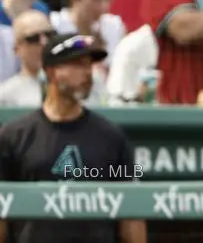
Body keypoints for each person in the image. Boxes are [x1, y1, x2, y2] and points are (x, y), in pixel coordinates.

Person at [0, 33, 146, 243]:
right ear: (51, 71)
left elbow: (132, 209)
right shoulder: (14, 136)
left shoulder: (112, 136)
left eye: (89, 65)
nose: (87, 73)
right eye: (77, 64)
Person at [0, 12, 54, 106]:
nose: (44, 42)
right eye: (33, 38)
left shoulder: (72, 85)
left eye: (49, 35)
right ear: (17, 49)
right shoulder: (5, 95)